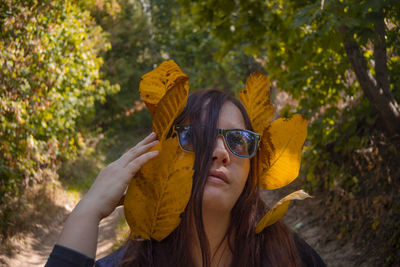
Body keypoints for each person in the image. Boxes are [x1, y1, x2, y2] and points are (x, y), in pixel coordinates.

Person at [46, 89, 326, 267]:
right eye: (196, 137)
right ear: (165, 157)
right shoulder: (132, 264)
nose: (220, 153)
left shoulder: (291, 257)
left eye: (238, 140)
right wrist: (88, 210)